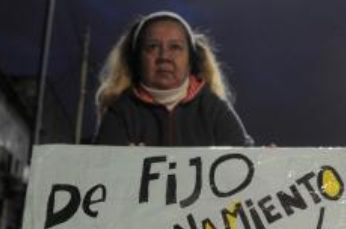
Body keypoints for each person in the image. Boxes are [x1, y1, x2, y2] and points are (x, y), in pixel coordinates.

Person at [93, 11, 254, 147]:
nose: (164, 57)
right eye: (152, 47)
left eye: (175, 47)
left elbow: (245, 158)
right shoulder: (121, 112)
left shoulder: (213, 109)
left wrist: (268, 158)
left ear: (191, 60)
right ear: (136, 59)